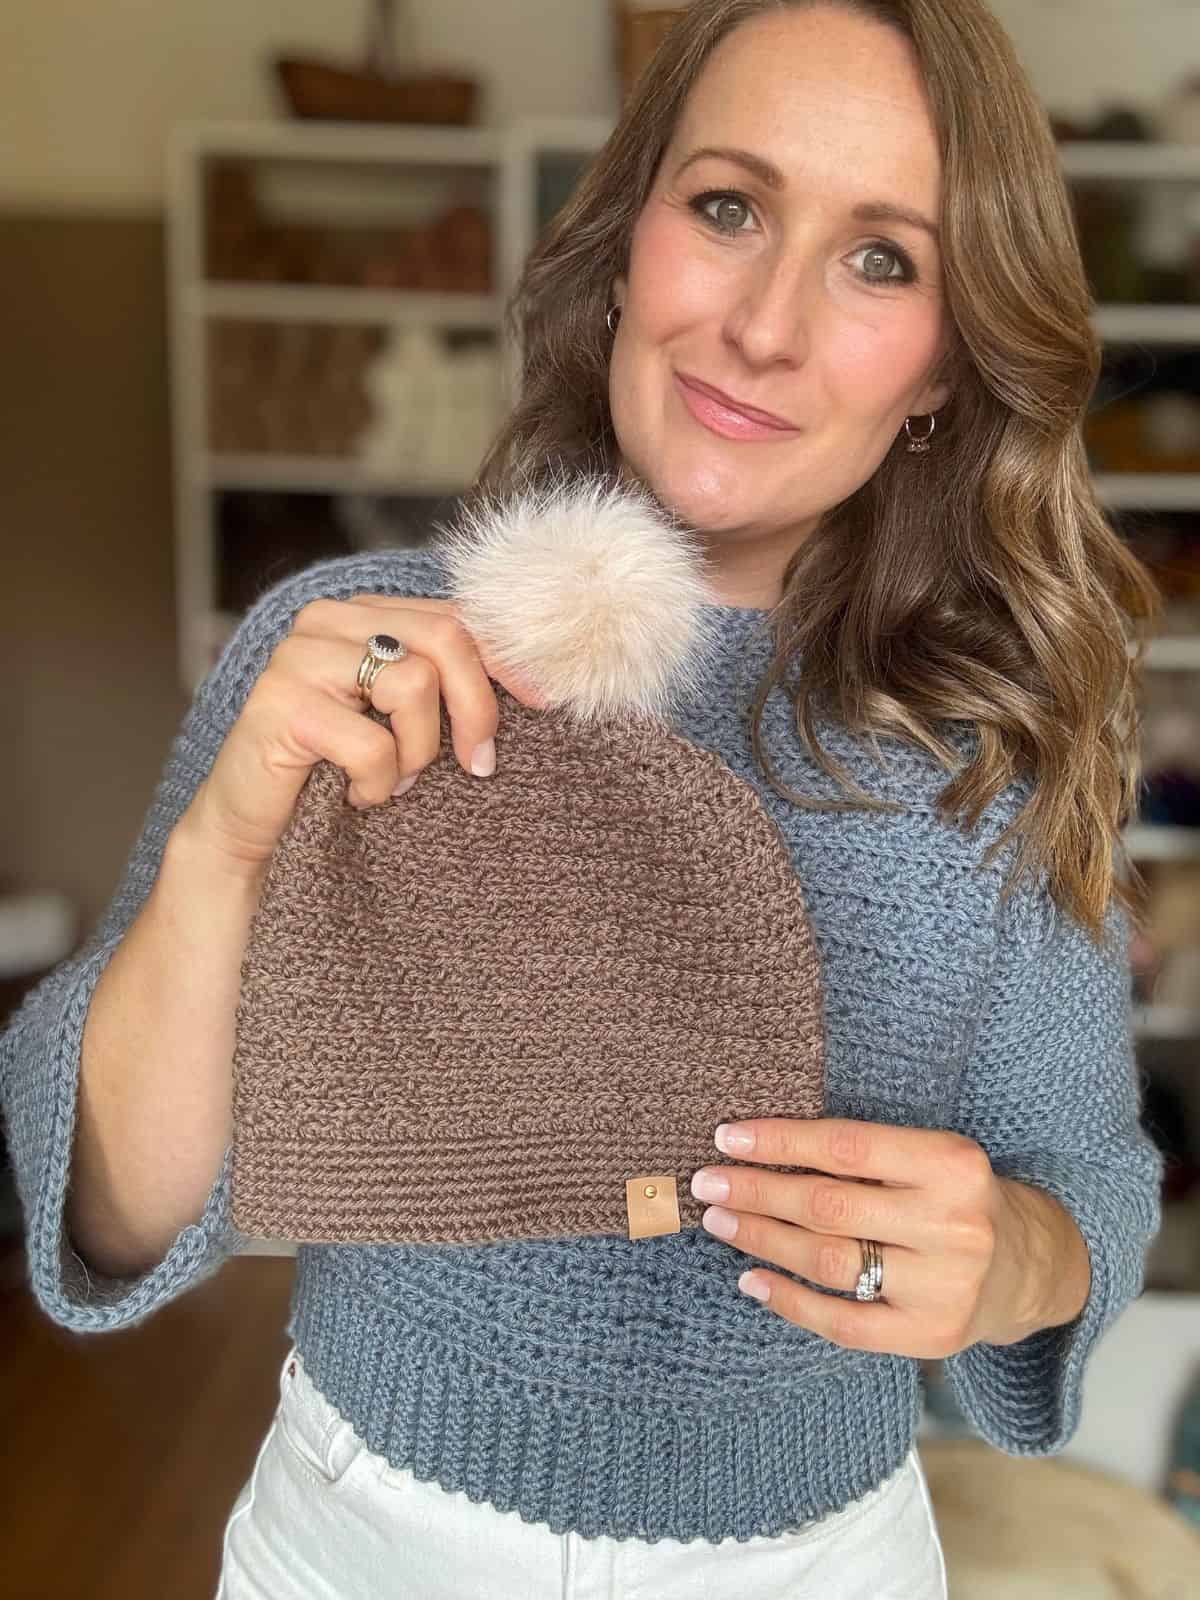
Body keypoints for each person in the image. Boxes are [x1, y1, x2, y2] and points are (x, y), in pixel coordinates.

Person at [0, 1, 1166, 1596]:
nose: (764, 324)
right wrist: (222, 849)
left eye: (883, 258)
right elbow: (122, 1222)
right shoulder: (356, 658)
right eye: (729, 207)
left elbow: (1092, 1180)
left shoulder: (993, 747)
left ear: (948, 375)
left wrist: (1013, 1258)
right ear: (625, 251)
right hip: (355, 1540)